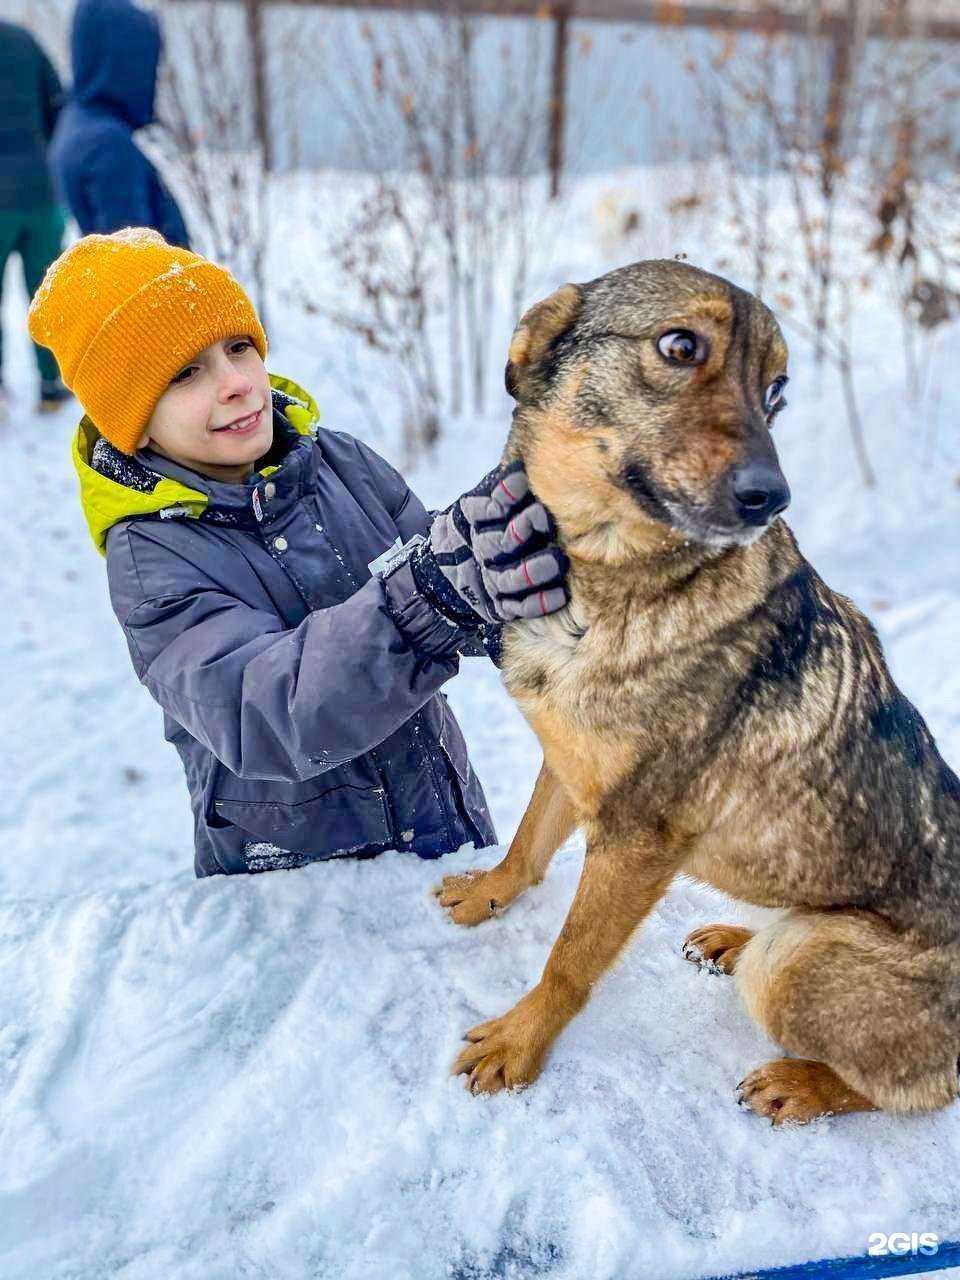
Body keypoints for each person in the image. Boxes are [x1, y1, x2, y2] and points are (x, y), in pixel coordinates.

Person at [28, 230, 569, 878]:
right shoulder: (152, 559)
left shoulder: (337, 463)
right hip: (301, 887)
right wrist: (427, 597)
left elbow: (444, 569)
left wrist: (516, 561)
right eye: (186, 373)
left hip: (439, 820)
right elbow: (266, 711)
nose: (235, 383)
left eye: (238, 348)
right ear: (133, 419)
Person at [51, 0, 190, 248]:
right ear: (127, 62)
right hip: (159, 286)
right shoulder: (107, 145)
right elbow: (130, 263)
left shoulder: (76, 123)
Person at [0, 19, 72, 414]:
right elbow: (58, 104)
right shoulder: (25, 41)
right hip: (38, 191)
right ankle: (50, 384)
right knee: (44, 294)